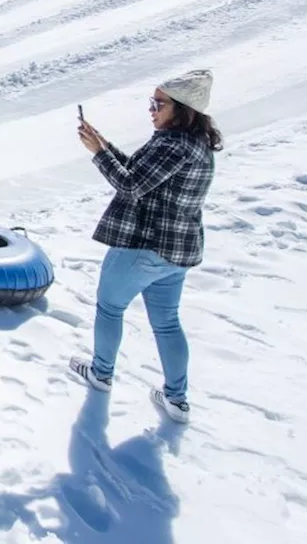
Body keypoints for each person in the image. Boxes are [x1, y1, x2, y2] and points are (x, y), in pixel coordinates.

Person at [67, 70, 222, 424]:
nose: (151, 109)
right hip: (177, 252)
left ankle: (101, 374)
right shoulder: (193, 143)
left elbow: (131, 185)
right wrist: (104, 146)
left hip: (144, 245)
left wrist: (97, 155)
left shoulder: (171, 145)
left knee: (109, 307)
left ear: (181, 108)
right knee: (167, 323)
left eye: (158, 104)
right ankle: (176, 399)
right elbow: (142, 173)